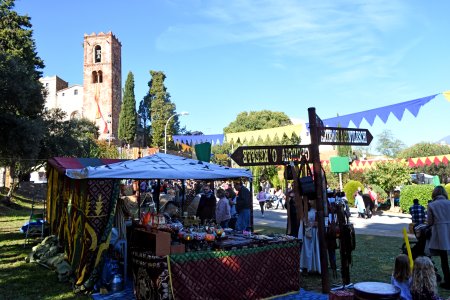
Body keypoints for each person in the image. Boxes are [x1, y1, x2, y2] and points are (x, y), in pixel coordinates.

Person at [427, 186, 450, 290]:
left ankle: (448, 280)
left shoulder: (432, 205)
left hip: (441, 233)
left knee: (444, 258)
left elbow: (430, 222)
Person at [300, 199, 321, 274]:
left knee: (314, 249)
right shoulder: (305, 212)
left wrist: (314, 224)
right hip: (307, 232)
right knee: (307, 250)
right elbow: (302, 222)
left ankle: (314, 267)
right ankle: (307, 267)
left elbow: (317, 222)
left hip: (313, 232)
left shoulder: (314, 211)